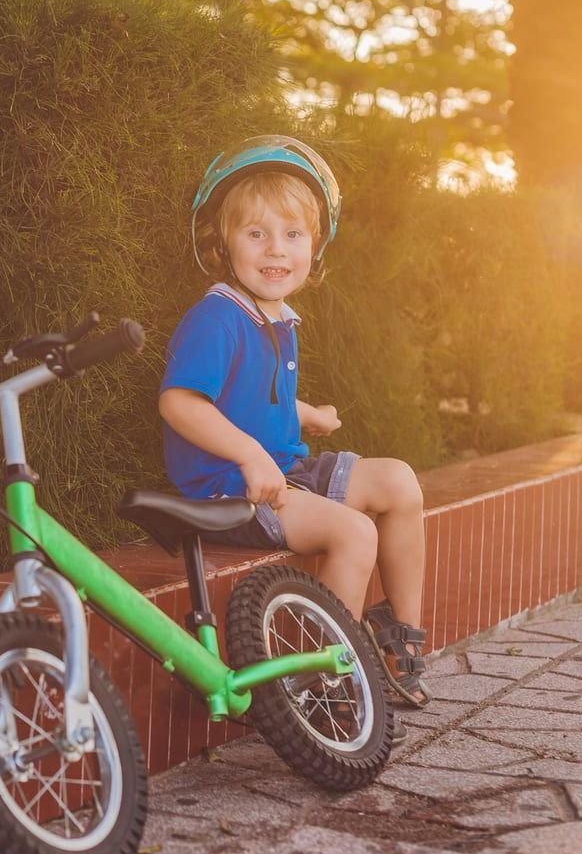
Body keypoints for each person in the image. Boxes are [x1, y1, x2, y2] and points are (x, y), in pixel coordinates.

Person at [158, 136, 433, 720]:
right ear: (221, 243)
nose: (274, 249)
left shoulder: (275, 317)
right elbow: (182, 403)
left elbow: (254, 394)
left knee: (400, 482)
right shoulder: (217, 317)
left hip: (283, 469)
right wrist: (252, 457)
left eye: (292, 234)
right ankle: (324, 682)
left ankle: (397, 638)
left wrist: (308, 415)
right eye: (255, 234)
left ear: (315, 246)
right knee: (355, 533)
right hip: (233, 487)